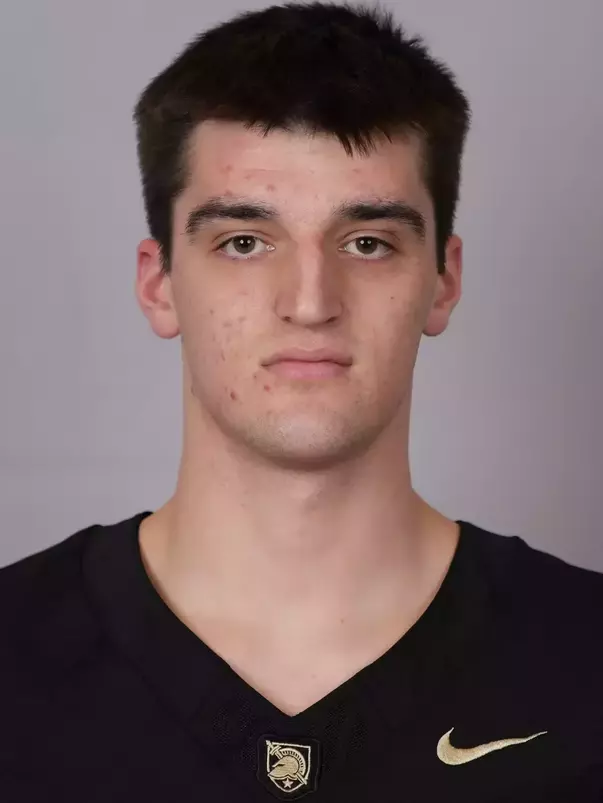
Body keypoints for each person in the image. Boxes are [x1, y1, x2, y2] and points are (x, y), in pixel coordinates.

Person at [1, 2, 601, 800]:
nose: (310, 300)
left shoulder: (584, 657)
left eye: (368, 242)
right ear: (159, 283)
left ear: (443, 281)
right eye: (244, 242)